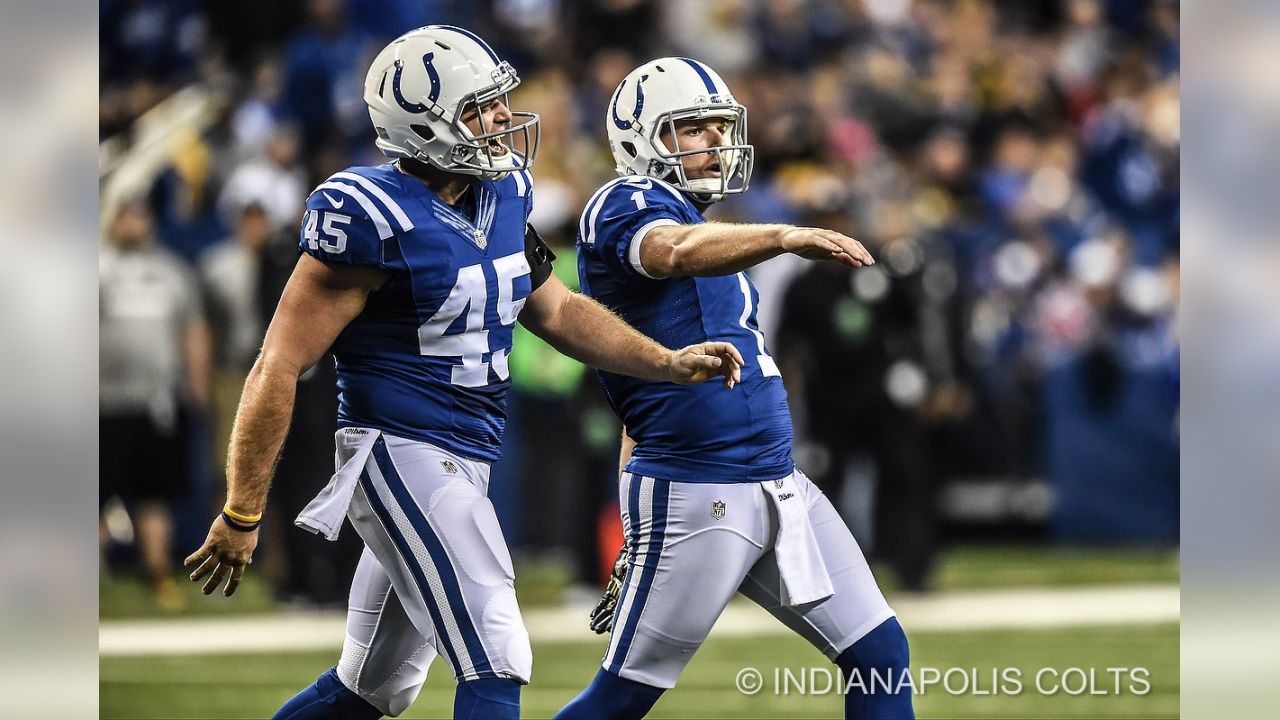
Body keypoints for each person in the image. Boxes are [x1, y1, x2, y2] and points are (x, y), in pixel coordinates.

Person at [183, 28, 743, 720]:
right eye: (482, 108)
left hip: (465, 457)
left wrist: (662, 361)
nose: (505, 120)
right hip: (400, 449)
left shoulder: (501, 192)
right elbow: (279, 362)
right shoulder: (368, 216)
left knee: (372, 687)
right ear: (423, 123)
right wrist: (243, 508)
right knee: (497, 653)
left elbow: (558, 310)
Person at [556, 58, 915, 719]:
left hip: (776, 479)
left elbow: (638, 386)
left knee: (880, 652)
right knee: (622, 697)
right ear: (643, 138)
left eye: (722, 127)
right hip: (699, 489)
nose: (717, 142)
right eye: (694, 128)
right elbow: (673, 251)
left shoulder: (715, 234)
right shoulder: (625, 203)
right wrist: (781, 235)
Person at [100, 199, 212, 610]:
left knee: (155, 496)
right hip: (103, 402)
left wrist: (196, 385)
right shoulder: (97, 268)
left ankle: (157, 573)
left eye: (141, 216)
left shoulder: (171, 271)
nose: (135, 223)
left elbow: (193, 330)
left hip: (157, 402)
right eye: (127, 215)